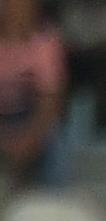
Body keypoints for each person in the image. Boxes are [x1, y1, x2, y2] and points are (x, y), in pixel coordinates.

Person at [0, 0, 67, 185]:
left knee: (53, 140)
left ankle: (55, 199)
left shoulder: (46, 43)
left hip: (29, 116)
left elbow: (50, 101)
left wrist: (30, 139)